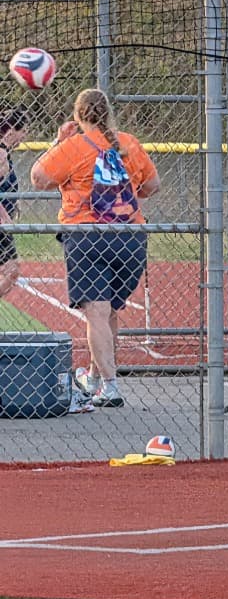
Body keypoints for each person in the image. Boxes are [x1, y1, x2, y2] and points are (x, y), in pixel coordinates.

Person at [30, 88, 160, 407]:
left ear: (78, 115)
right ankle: (94, 377)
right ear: (108, 113)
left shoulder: (73, 146)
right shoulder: (128, 143)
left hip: (87, 236)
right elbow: (152, 186)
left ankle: (111, 387)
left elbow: (38, 177)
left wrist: (58, 141)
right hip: (130, 237)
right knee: (108, 311)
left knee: (98, 313)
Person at [0, 106, 29, 298]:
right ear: (11, 131)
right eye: (23, 131)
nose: (24, 136)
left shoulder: (5, 153)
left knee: (11, 271)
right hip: (1, 223)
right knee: (11, 271)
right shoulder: (1, 155)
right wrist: (4, 216)